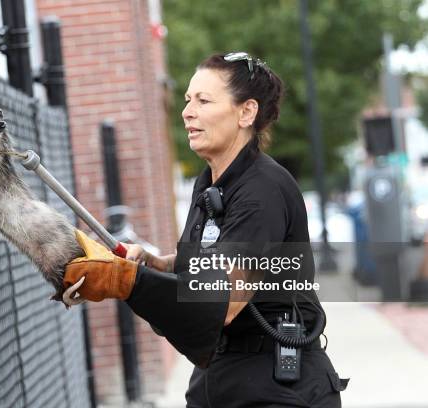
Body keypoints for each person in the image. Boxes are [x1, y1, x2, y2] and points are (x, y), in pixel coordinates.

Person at [63, 52, 347, 407]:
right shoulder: (211, 184)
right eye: (187, 100)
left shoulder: (262, 189)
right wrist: (156, 265)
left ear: (247, 112)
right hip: (218, 380)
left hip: (277, 388)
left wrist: (126, 281)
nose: (187, 112)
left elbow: (222, 302)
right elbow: (206, 267)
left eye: (203, 100)